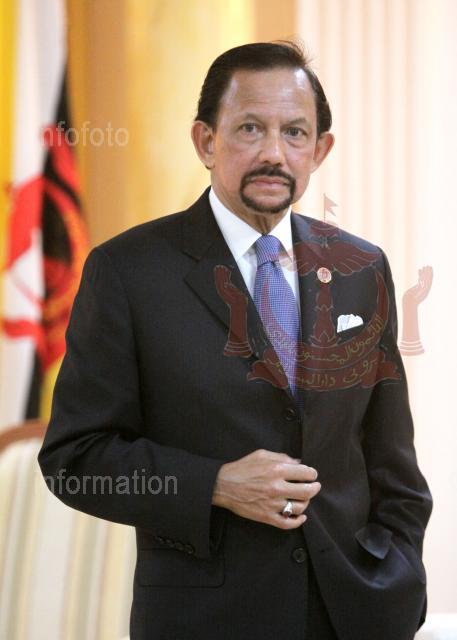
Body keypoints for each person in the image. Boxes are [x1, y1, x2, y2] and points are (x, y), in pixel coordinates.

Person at [38, 42, 432, 640]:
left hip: (353, 614)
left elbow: (393, 464)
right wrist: (216, 485)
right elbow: (76, 459)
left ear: (320, 149)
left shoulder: (361, 268)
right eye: (250, 128)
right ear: (205, 141)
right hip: (206, 620)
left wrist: (399, 582)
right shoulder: (128, 272)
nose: (274, 153)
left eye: (294, 132)